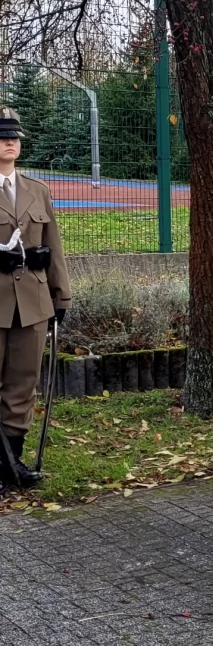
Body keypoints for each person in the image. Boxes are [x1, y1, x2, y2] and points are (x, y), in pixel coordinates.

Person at [0, 106, 70, 494]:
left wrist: (62, 295)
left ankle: (12, 464)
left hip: (32, 303)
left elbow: (54, 248)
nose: (10, 141)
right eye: (2, 135)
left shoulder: (37, 191)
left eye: (15, 136)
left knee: (22, 384)